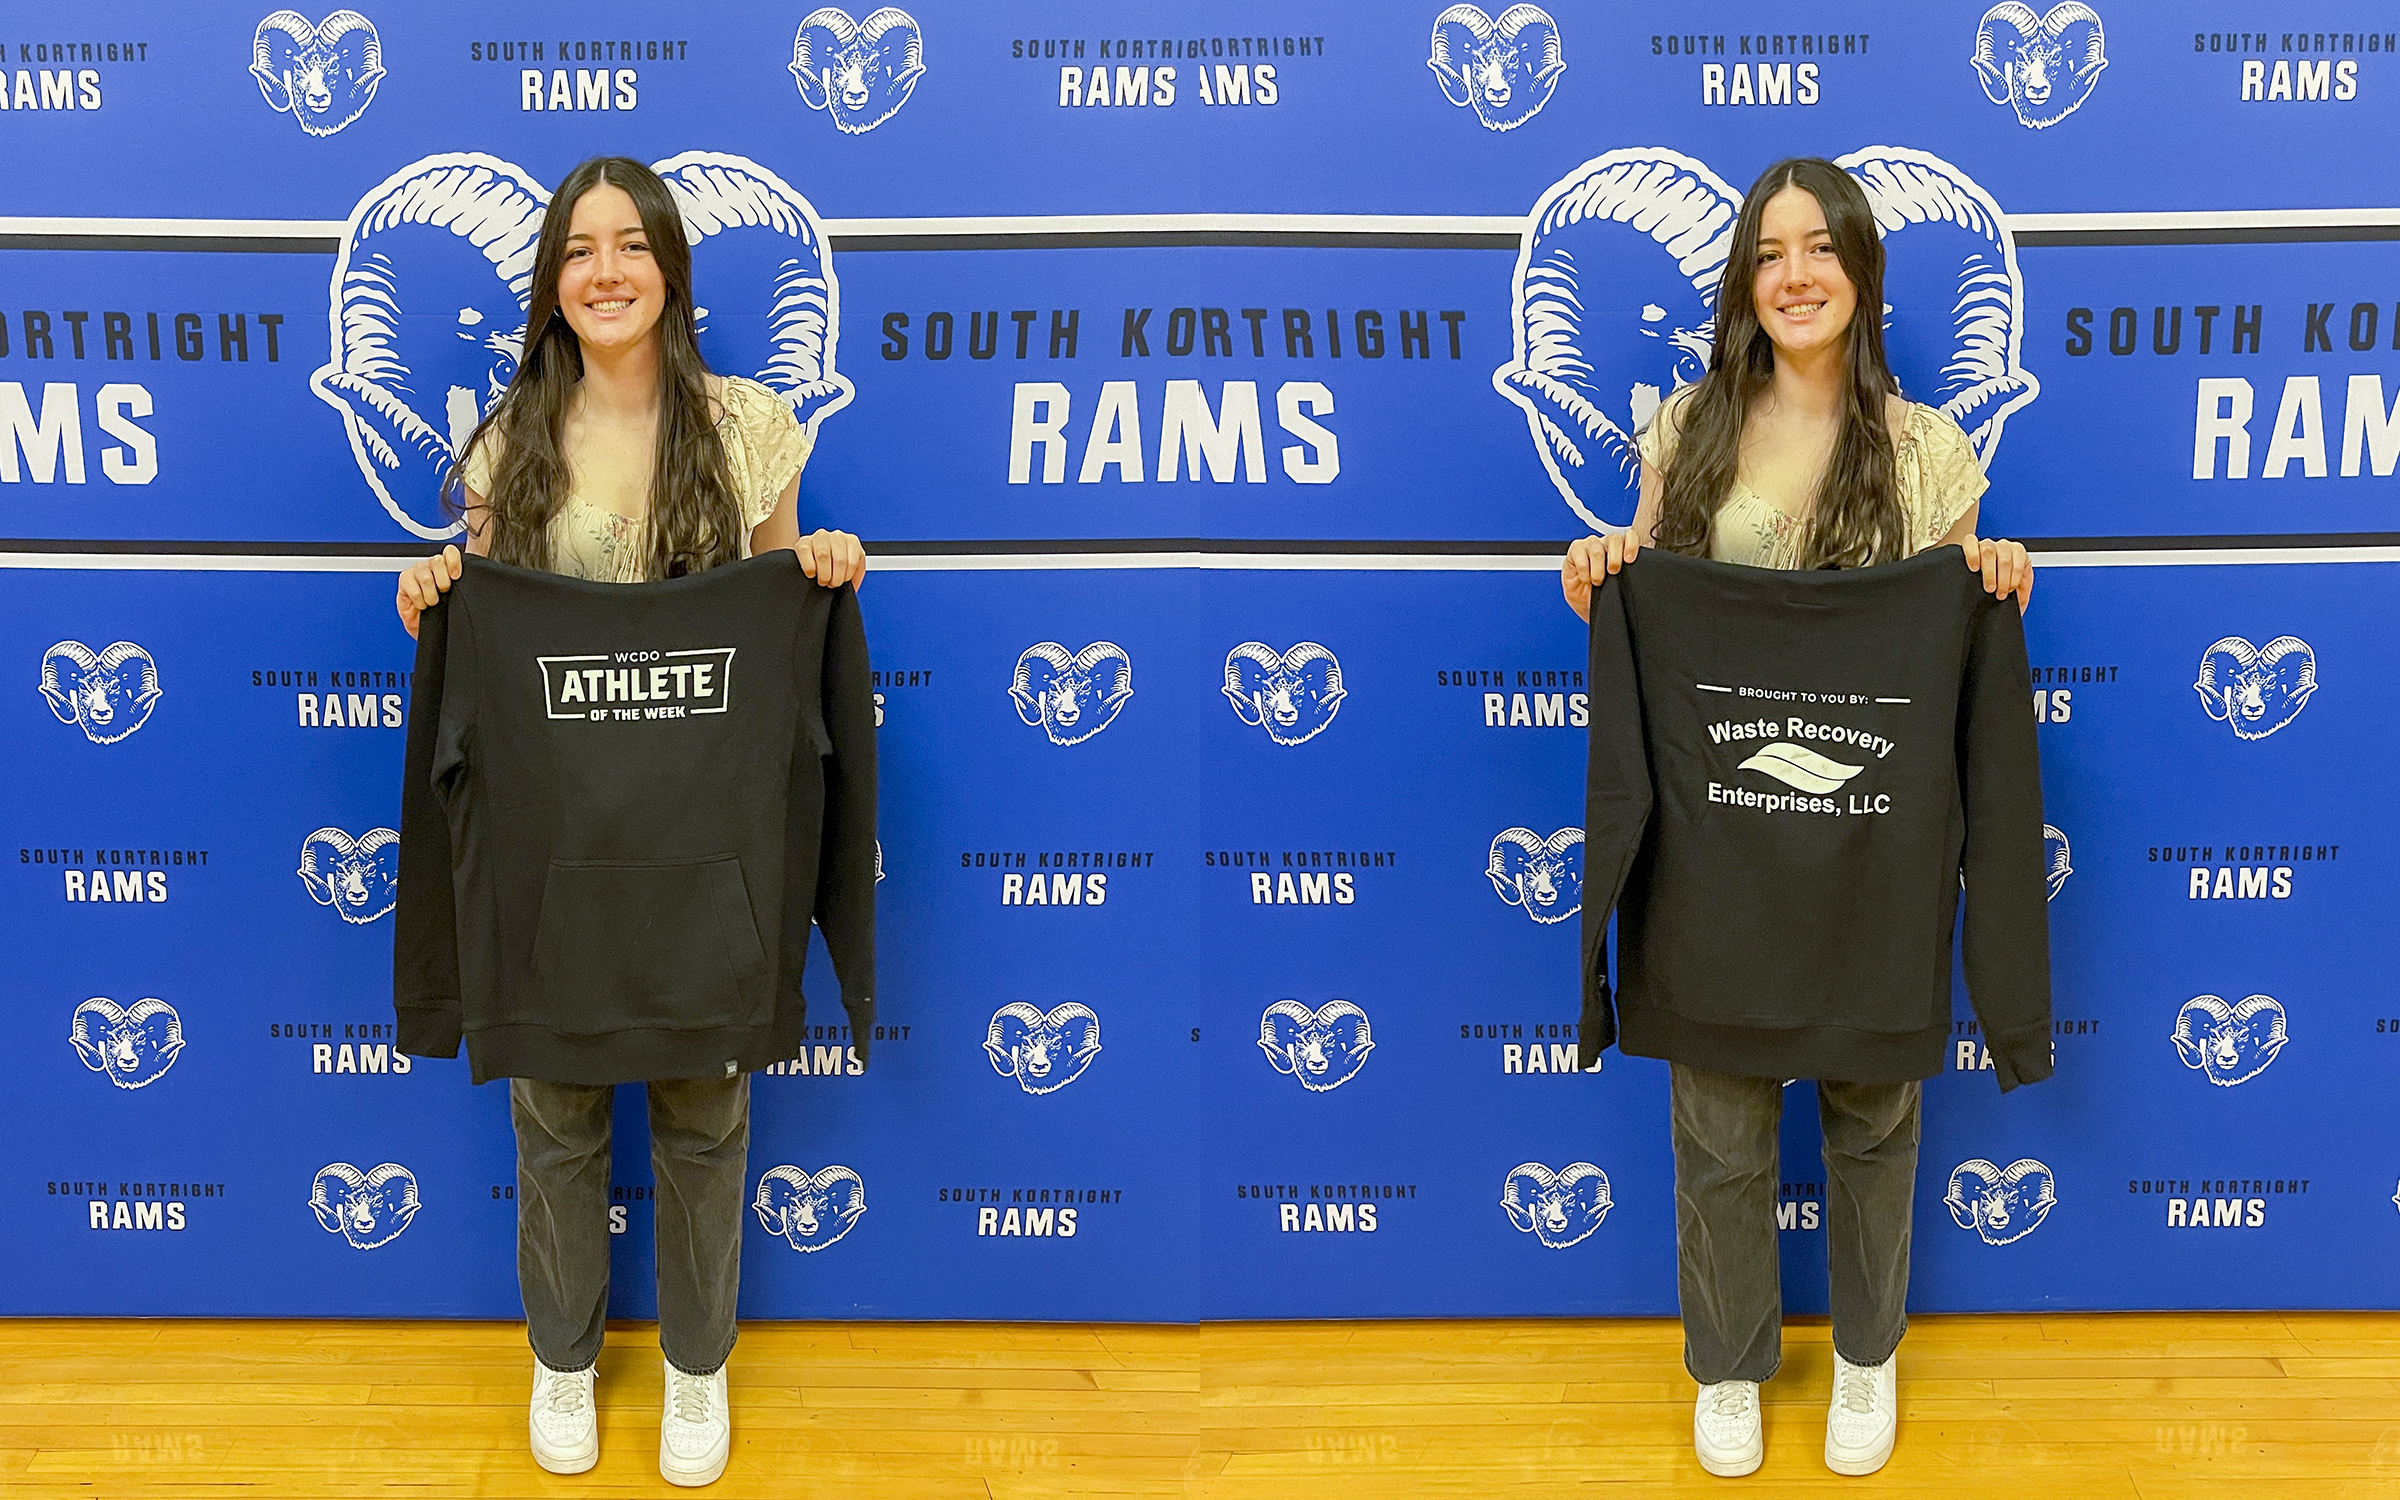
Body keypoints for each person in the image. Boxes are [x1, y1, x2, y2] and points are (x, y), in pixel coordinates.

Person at [393, 155, 866, 1487]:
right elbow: (476, 636)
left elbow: (779, 601)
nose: (604, 271)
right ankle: (561, 1356)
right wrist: (432, 590)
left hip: (703, 847)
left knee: (707, 1111)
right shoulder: (505, 442)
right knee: (555, 1111)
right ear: (554, 284)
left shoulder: (751, 425)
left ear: (670, 271)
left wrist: (815, 565)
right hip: (561, 852)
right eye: (578, 250)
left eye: (630, 247)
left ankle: (698, 1372)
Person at [1561, 157, 2034, 1479]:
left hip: (1871, 843)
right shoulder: (1683, 428)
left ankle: (1870, 1355)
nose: (1796, 274)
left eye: (1820, 248)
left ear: (1863, 270)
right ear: (1744, 281)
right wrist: (1603, 569)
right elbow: (1639, 612)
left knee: (1876, 1111)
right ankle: (1726, 1366)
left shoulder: (1934, 448)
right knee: (1717, 1118)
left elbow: (1945, 653)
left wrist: (1990, 574)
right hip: (1718, 848)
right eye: (1769, 253)